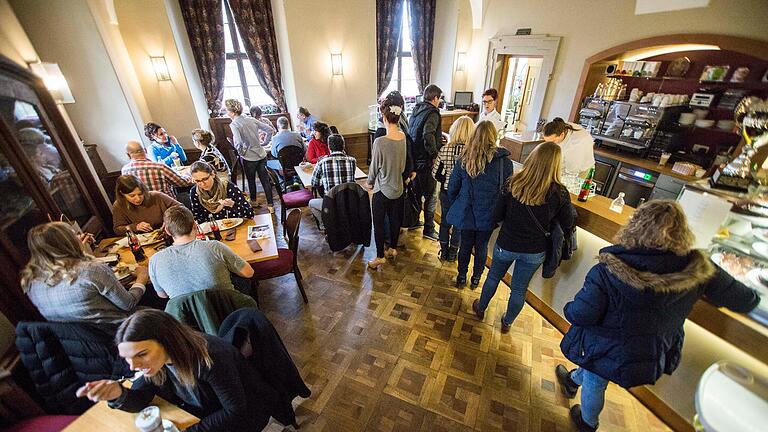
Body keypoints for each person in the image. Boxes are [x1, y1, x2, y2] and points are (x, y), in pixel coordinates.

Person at [555, 200, 761, 432]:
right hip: (650, 351)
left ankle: (587, 422)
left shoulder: (607, 270)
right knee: (596, 371)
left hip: (605, 346)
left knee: (596, 380)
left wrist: (569, 309)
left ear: (635, 226)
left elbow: (582, 314)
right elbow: (747, 299)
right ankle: (572, 380)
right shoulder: (697, 267)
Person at [75, 309, 284, 431]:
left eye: (140, 354)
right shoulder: (156, 363)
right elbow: (142, 397)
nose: (133, 366)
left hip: (243, 416)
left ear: (167, 341)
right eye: (128, 359)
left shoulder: (210, 358)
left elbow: (235, 411)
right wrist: (118, 394)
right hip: (203, 412)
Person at [472, 142, 575, 333]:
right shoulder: (559, 193)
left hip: (507, 242)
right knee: (519, 289)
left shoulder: (514, 183)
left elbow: (497, 214)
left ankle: (481, 307)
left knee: (493, 277)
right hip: (534, 250)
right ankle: (507, 322)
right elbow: (568, 222)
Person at [20, 222, 148, 324]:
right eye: (73, 235)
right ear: (69, 242)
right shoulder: (92, 269)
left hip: (80, 345)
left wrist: (80, 252)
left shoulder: (30, 281)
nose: (78, 237)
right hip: (119, 330)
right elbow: (128, 304)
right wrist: (141, 278)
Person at [446, 121, 513, 288]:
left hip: (467, 211)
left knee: (465, 245)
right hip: (490, 213)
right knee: (482, 247)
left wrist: (459, 203)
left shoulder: (464, 159)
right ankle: (476, 279)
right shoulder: (505, 162)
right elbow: (507, 191)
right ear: (494, 136)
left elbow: (452, 187)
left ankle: (462, 277)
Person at [148, 206, 254, 299]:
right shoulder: (214, 246)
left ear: (167, 230)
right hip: (227, 310)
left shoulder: (154, 260)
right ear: (195, 225)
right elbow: (249, 272)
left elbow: (162, 295)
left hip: (187, 319)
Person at [367, 94, 413, 269]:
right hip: (399, 188)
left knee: (378, 224)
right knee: (395, 220)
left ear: (385, 118)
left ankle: (380, 256)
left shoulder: (379, 142)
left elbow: (374, 168)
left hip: (382, 189)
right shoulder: (403, 137)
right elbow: (403, 165)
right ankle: (393, 249)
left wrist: (370, 183)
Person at [432, 116, 474, 262]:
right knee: (458, 225)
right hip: (464, 194)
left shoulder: (445, 149)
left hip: (446, 191)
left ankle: (443, 251)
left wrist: (445, 181)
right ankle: (453, 253)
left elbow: (435, 173)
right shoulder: (472, 153)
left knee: (445, 221)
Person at [224, 99, 275, 213]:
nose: (227, 113)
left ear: (232, 112)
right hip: (261, 154)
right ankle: (271, 206)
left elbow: (238, 143)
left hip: (248, 157)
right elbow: (270, 129)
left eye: (227, 110)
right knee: (265, 181)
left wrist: (241, 152)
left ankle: (254, 201)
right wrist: (265, 143)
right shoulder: (251, 119)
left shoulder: (234, 124)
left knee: (251, 180)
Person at [408, 83, 444, 241]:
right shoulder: (433, 113)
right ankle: (429, 229)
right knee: (431, 196)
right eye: (439, 98)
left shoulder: (416, 110)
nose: (440, 101)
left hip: (414, 160)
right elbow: (428, 134)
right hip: (426, 162)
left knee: (416, 193)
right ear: (435, 98)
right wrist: (435, 153)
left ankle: (414, 221)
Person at [309, 134, 357, 231]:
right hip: (349, 201)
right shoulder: (352, 161)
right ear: (343, 146)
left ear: (329, 147)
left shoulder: (322, 161)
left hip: (331, 203)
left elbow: (314, 183)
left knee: (311, 203)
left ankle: (325, 226)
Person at [112, 175, 181, 236]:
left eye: (140, 194)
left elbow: (181, 208)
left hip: (169, 235)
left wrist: (169, 220)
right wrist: (135, 227)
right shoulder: (118, 206)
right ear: (122, 193)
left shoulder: (157, 196)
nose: (138, 199)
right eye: (132, 196)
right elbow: (117, 230)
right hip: (143, 241)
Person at [189, 161, 254, 223]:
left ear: (213, 174)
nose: (202, 184)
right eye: (197, 181)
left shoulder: (228, 187)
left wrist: (233, 204)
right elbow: (198, 218)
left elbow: (250, 214)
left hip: (235, 227)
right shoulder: (194, 192)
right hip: (212, 229)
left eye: (205, 179)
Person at [121, 140, 191, 198]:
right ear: (145, 150)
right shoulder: (159, 167)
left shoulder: (124, 171)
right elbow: (182, 183)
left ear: (128, 155)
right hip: (167, 207)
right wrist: (187, 175)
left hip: (142, 211)